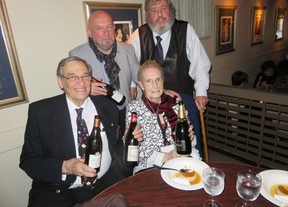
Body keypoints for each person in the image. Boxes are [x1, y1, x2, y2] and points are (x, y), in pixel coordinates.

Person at [19, 56, 142, 207]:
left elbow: (118, 152)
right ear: (60, 81)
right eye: (73, 77)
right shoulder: (41, 112)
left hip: (106, 183)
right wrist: (66, 167)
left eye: (85, 76)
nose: (81, 83)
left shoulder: (108, 106)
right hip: (60, 190)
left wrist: (127, 139)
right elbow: (28, 161)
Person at [128, 0, 211, 158]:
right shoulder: (138, 35)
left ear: (171, 10)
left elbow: (200, 64)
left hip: (182, 99)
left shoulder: (185, 30)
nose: (159, 14)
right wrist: (132, 84)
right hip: (151, 102)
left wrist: (201, 92)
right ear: (148, 15)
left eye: (163, 8)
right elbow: (131, 63)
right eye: (154, 10)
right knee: (155, 143)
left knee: (190, 142)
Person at [69, 10, 139, 135]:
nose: (106, 33)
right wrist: (87, 88)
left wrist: (162, 89)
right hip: (98, 116)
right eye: (99, 28)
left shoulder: (128, 50)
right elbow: (69, 89)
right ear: (90, 33)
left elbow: (141, 77)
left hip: (125, 113)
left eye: (109, 27)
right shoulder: (76, 56)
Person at [125, 60, 200, 174]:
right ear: (141, 85)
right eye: (149, 81)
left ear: (163, 81)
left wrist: (189, 137)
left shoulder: (176, 103)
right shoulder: (134, 109)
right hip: (150, 163)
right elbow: (133, 149)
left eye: (158, 80)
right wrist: (165, 157)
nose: (155, 85)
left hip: (180, 154)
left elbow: (191, 142)